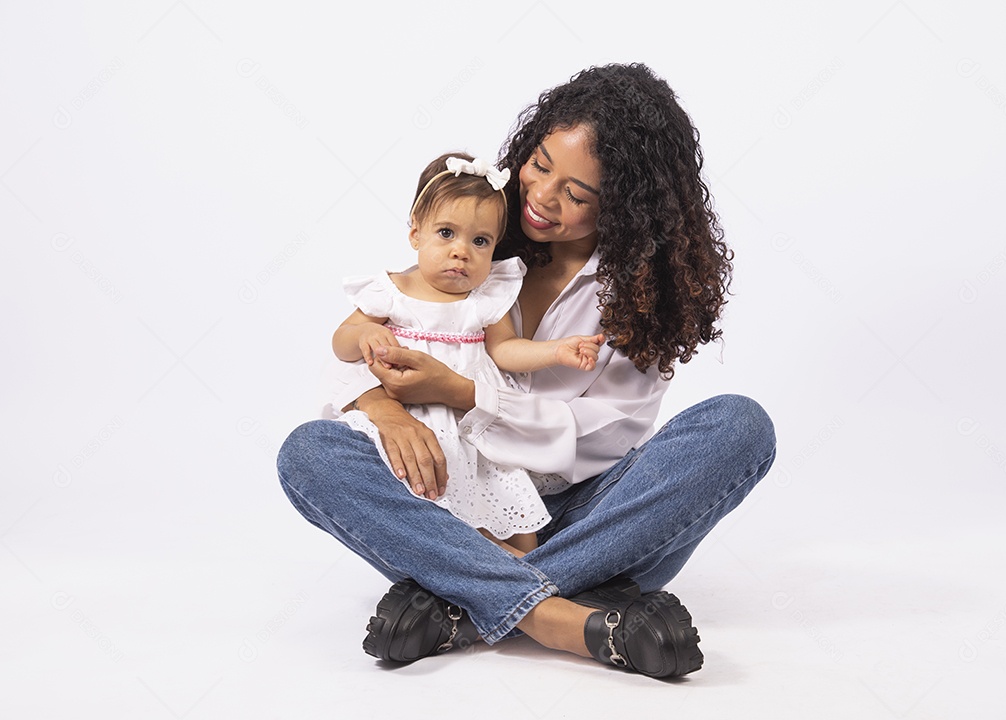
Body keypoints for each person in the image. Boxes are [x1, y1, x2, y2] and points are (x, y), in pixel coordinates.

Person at [278, 63, 777, 678]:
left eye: (577, 195)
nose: (541, 197)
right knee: (309, 453)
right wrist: (381, 406)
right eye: (540, 166)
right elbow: (371, 338)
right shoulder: (477, 235)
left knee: (740, 427)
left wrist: (462, 393)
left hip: (586, 519)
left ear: (624, 208)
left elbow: (593, 441)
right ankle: (563, 619)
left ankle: (464, 598)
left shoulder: (642, 295)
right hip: (453, 498)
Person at [330, 151, 605, 553]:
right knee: (437, 508)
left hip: (476, 428)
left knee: (518, 525)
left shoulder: (484, 299)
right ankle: (473, 577)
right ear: (415, 234)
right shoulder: (390, 292)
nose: (462, 251)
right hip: (417, 422)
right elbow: (341, 340)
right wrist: (366, 335)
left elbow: (507, 350)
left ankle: (526, 578)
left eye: (479, 241)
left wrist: (556, 352)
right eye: (446, 233)